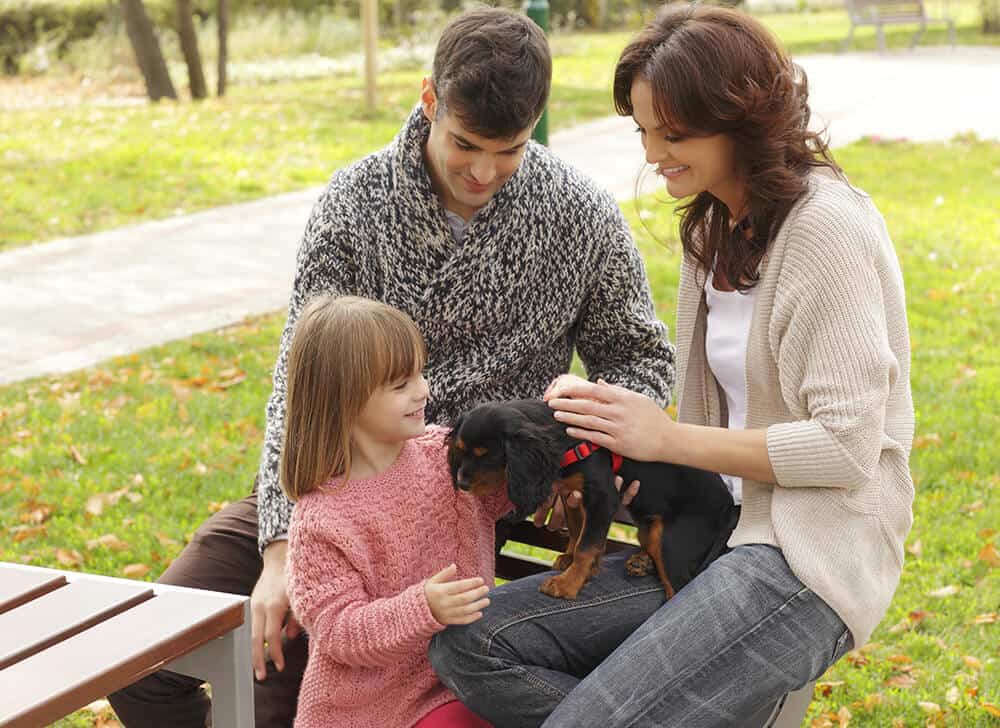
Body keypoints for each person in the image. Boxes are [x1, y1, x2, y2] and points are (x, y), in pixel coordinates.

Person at [108, 7, 674, 727]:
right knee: (141, 660)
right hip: (329, 489)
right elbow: (299, 380)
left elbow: (640, 360)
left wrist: (585, 452)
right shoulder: (354, 205)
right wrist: (280, 548)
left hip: (465, 497)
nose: (483, 170)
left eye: (510, 150)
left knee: (283, 670)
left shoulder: (581, 214)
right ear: (429, 100)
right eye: (466, 143)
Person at [429, 5, 915, 727]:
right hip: (710, 532)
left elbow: (845, 448)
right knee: (464, 642)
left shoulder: (826, 230)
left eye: (675, 134)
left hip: (806, 559)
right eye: (644, 130)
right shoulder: (715, 231)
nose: (653, 152)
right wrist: (601, 429)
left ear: (743, 121)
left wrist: (664, 438)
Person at [282, 295, 506, 727]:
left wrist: (558, 476)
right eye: (401, 384)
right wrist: (423, 609)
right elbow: (337, 631)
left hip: (461, 674)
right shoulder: (322, 519)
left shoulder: (445, 456)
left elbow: (501, 492)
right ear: (345, 401)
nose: (423, 390)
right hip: (373, 708)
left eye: (420, 373)